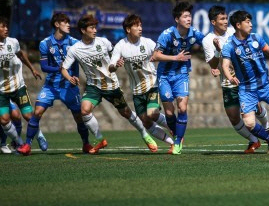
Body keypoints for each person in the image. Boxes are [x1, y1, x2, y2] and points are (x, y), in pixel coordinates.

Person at [60, 14, 152, 154]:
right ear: (83, 30)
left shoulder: (103, 42)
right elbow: (63, 68)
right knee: (84, 110)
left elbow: (115, 56)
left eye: (95, 27)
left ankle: (145, 135)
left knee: (126, 113)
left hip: (111, 85)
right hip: (94, 86)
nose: (95, 30)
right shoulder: (74, 49)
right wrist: (69, 78)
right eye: (92, 27)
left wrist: (117, 63)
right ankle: (100, 140)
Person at [221, 10, 269, 154]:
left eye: (251, 21)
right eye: (247, 22)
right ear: (238, 25)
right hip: (246, 89)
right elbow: (225, 65)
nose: (251, 25)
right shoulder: (229, 45)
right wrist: (230, 77)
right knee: (249, 123)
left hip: (266, 85)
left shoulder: (256, 37)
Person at [18, 13, 91, 156]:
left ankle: (86, 144)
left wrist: (74, 76)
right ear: (57, 25)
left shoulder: (74, 43)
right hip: (51, 86)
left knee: (78, 116)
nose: (69, 25)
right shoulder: (45, 43)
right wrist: (60, 69)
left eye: (69, 22)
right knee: (37, 112)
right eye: (65, 22)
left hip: (69, 86)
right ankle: (27, 145)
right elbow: (44, 67)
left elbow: (79, 62)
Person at [202, 5, 269, 154]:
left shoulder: (235, 32)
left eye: (226, 18)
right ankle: (254, 141)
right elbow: (213, 64)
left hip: (245, 79)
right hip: (228, 82)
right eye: (222, 19)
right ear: (213, 22)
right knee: (233, 117)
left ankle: (267, 128)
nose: (225, 21)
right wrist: (218, 50)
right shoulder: (208, 40)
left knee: (256, 108)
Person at [109, 14, 174, 153]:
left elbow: (159, 54)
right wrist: (116, 65)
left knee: (152, 114)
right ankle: (172, 143)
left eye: (141, 25)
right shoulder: (121, 46)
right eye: (136, 25)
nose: (140, 28)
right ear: (128, 29)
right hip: (137, 91)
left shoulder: (148, 43)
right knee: (145, 121)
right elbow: (111, 66)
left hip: (152, 85)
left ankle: (172, 126)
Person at [152, 2, 205, 155]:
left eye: (190, 16)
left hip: (182, 74)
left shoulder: (194, 33)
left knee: (182, 108)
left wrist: (215, 59)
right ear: (177, 19)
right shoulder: (167, 34)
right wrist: (176, 58)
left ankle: (177, 142)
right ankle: (177, 136)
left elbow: (207, 44)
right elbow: (155, 55)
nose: (189, 19)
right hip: (164, 76)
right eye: (185, 16)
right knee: (169, 113)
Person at [0, 16, 47, 150]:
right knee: (4, 120)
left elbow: (21, 54)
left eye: (6, 26)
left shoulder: (13, 42)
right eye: (2, 26)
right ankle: (19, 143)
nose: (6, 29)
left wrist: (32, 69)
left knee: (28, 115)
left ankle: (40, 136)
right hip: (2, 91)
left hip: (18, 86)